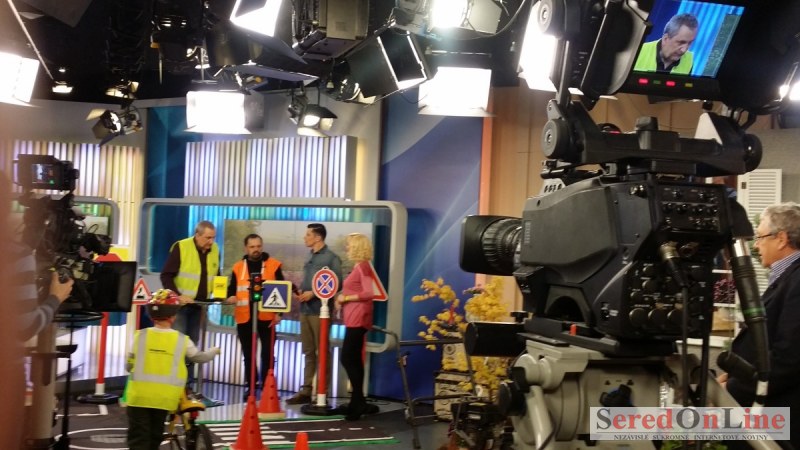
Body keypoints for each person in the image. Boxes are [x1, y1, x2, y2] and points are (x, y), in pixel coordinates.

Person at [717, 202, 800, 449]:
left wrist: (732, 387)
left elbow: (789, 357)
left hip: (778, 419)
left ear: (781, 239)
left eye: (760, 237)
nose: (755, 245)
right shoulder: (788, 276)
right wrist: (736, 373)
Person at [125, 289, 220, 450]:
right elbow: (199, 357)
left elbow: (129, 366)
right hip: (164, 399)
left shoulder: (139, 336)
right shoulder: (182, 340)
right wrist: (214, 351)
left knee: (138, 439)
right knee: (154, 437)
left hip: (138, 398)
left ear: (151, 315)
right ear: (173, 316)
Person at [285, 223, 343, 405]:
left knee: (322, 351)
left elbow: (337, 284)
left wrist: (314, 294)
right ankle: (306, 390)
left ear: (318, 237)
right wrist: (302, 293)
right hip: (305, 310)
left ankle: (322, 392)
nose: (305, 237)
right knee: (308, 351)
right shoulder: (309, 255)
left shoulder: (332, 258)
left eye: (308, 235)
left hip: (320, 312)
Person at [224, 233, 284, 399]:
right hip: (245, 318)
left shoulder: (274, 265)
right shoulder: (238, 267)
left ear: (262, 246)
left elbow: (282, 290)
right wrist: (230, 296)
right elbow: (232, 289)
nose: (256, 250)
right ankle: (250, 386)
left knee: (268, 355)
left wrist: (279, 314)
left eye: (258, 246)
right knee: (248, 355)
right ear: (246, 248)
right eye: (252, 247)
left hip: (267, 318)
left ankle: (267, 387)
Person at [160, 220, 220, 385]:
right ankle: (175, 384)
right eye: (208, 238)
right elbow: (166, 275)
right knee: (179, 345)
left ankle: (188, 386)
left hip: (199, 306)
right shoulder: (181, 247)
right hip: (180, 308)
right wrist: (178, 296)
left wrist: (224, 295)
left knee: (192, 347)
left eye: (213, 238)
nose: (211, 242)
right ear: (197, 235)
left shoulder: (215, 249)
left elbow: (217, 277)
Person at [334, 233, 376, 421]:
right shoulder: (359, 266)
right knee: (354, 359)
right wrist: (342, 299)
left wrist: (346, 298)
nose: (347, 248)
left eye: (349, 245)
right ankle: (357, 401)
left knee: (347, 357)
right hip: (354, 318)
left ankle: (358, 401)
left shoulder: (363, 267)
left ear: (357, 247)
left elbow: (368, 293)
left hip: (359, 318)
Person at [633, 12, 698, 75]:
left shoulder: (689, 59)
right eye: (681, 42)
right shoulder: (638, 51)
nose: (684, 50)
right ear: (665, 39)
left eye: (690, 43)